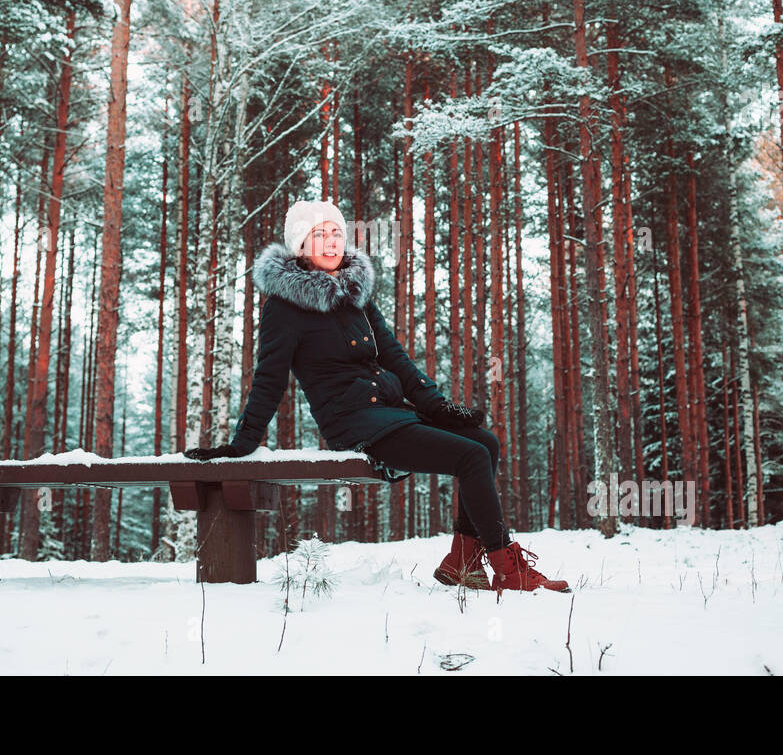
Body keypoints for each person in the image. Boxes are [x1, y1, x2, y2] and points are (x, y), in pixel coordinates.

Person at [184, 200, 568, 594]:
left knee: (485, 442)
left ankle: (464, 564)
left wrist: (437, 406)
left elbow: (395, 358)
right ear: (300, 245)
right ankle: (507, 566)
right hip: (352, 422)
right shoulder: (284, 308)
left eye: (336, 233)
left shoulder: (357, 297)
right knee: (471, 457)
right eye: (319, 234)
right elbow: (268, 380)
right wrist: (242, 442)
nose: (331, 242)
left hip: (391, 412)